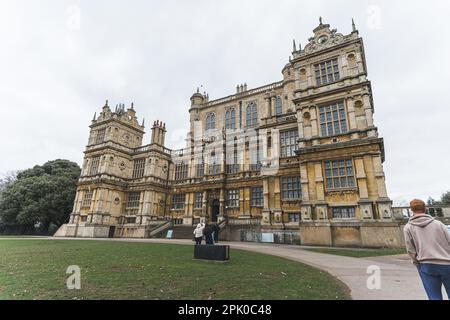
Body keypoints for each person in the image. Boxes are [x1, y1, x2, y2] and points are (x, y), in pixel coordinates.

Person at [403, 199, 450, 300]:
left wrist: (417, 263)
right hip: (447, 263)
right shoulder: (438, 224)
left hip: (426, 264)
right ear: (425, 208)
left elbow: (410, 250)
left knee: (434, 297)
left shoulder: (408, 227)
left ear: (411, 210)